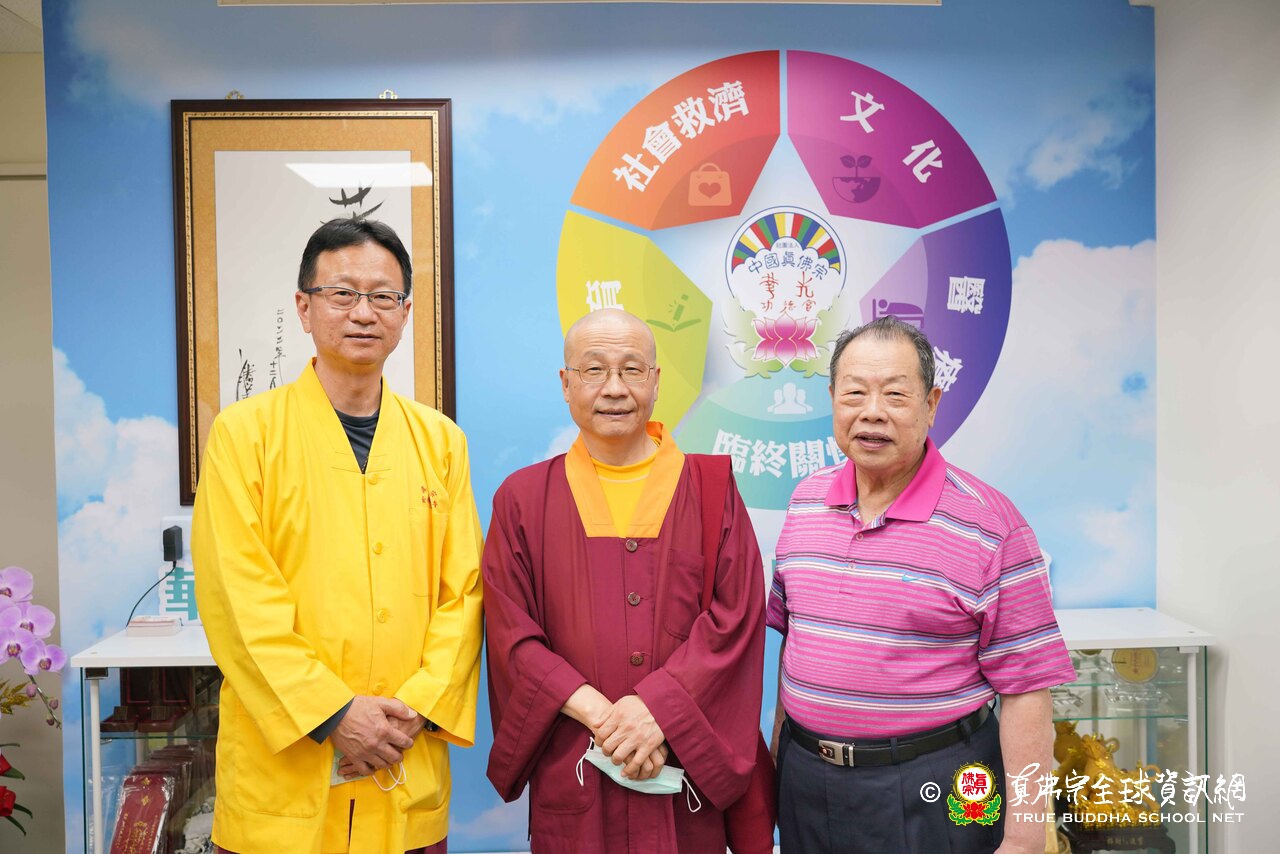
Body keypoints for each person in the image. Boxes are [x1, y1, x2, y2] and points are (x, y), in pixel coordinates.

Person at [193, 218, 484, 854]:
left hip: (402, 760)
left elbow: (463, 594)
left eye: (383, 296)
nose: (364, 312)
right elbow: (238, 602)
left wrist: (413, 711)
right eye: (342, 293)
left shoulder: (441, 442)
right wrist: (334, 713)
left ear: (405, 313)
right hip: (285, 784)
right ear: (304, 308)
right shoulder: (244, 436)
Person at [767, 316, 1076, 854]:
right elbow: (795, 647)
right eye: (855, 393)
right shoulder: (805, 502)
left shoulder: (991, 526)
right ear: (833, 399)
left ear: (931, 405)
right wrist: (777, 764)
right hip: (807, 780)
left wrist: (1025, 839)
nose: (872, 412)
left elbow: (1027, 691)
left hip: (936, 785)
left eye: (895, 394)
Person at [481, 308, 770, 852]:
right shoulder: (522, 500)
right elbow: (510, 634)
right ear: (566, 384)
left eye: (631, 369)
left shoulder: (710, 489)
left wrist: (656, 711)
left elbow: (735, 620)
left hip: (682, 774)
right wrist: (605, 717)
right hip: (578, 768)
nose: (614, 388)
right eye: (594, 370)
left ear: (656, 382)